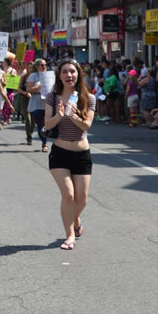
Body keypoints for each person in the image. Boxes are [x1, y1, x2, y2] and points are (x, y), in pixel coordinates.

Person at [43, 59, 95, 250]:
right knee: (69, 195)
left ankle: (75, 218)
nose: (69, 75)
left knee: (82, 200)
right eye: (64, 72)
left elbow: (87, 125)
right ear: (59, 76)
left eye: (72, 71)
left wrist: (73, 115)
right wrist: (58, 115)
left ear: (78, 74)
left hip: (82, 154)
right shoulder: (52, 97)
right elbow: (47, 125)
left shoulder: (88, 98)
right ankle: (70, 235)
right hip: (60, 154)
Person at [26, 58, 55, 151]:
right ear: (37, 66)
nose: (44, 67)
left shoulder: (50, 76)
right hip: (36, 101)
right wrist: (39, 87)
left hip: (47, 102)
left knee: (46, 123)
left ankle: (45, 142)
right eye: (42, 65)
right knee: (40, 124)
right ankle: (44, 142)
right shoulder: (33, 76)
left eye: (45, 65)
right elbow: (29, 90)